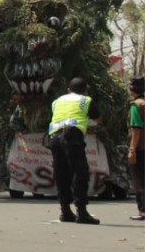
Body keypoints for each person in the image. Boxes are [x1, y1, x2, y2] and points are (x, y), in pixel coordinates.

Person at [48, 77, 101, 224]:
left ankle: (65, 211)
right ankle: (82, 212)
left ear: (68, 90)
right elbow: (97, 118)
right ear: (85, 90)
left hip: (54, 138)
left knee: (61, 174)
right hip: (72, 137)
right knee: (79, 173)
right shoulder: (86, 100)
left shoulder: (57, 101)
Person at [128, 76, 144, 221]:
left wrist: (132, 149)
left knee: (139, 179)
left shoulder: (135, 106)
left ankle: (143, 210)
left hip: (141, 148)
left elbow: (136, 128)